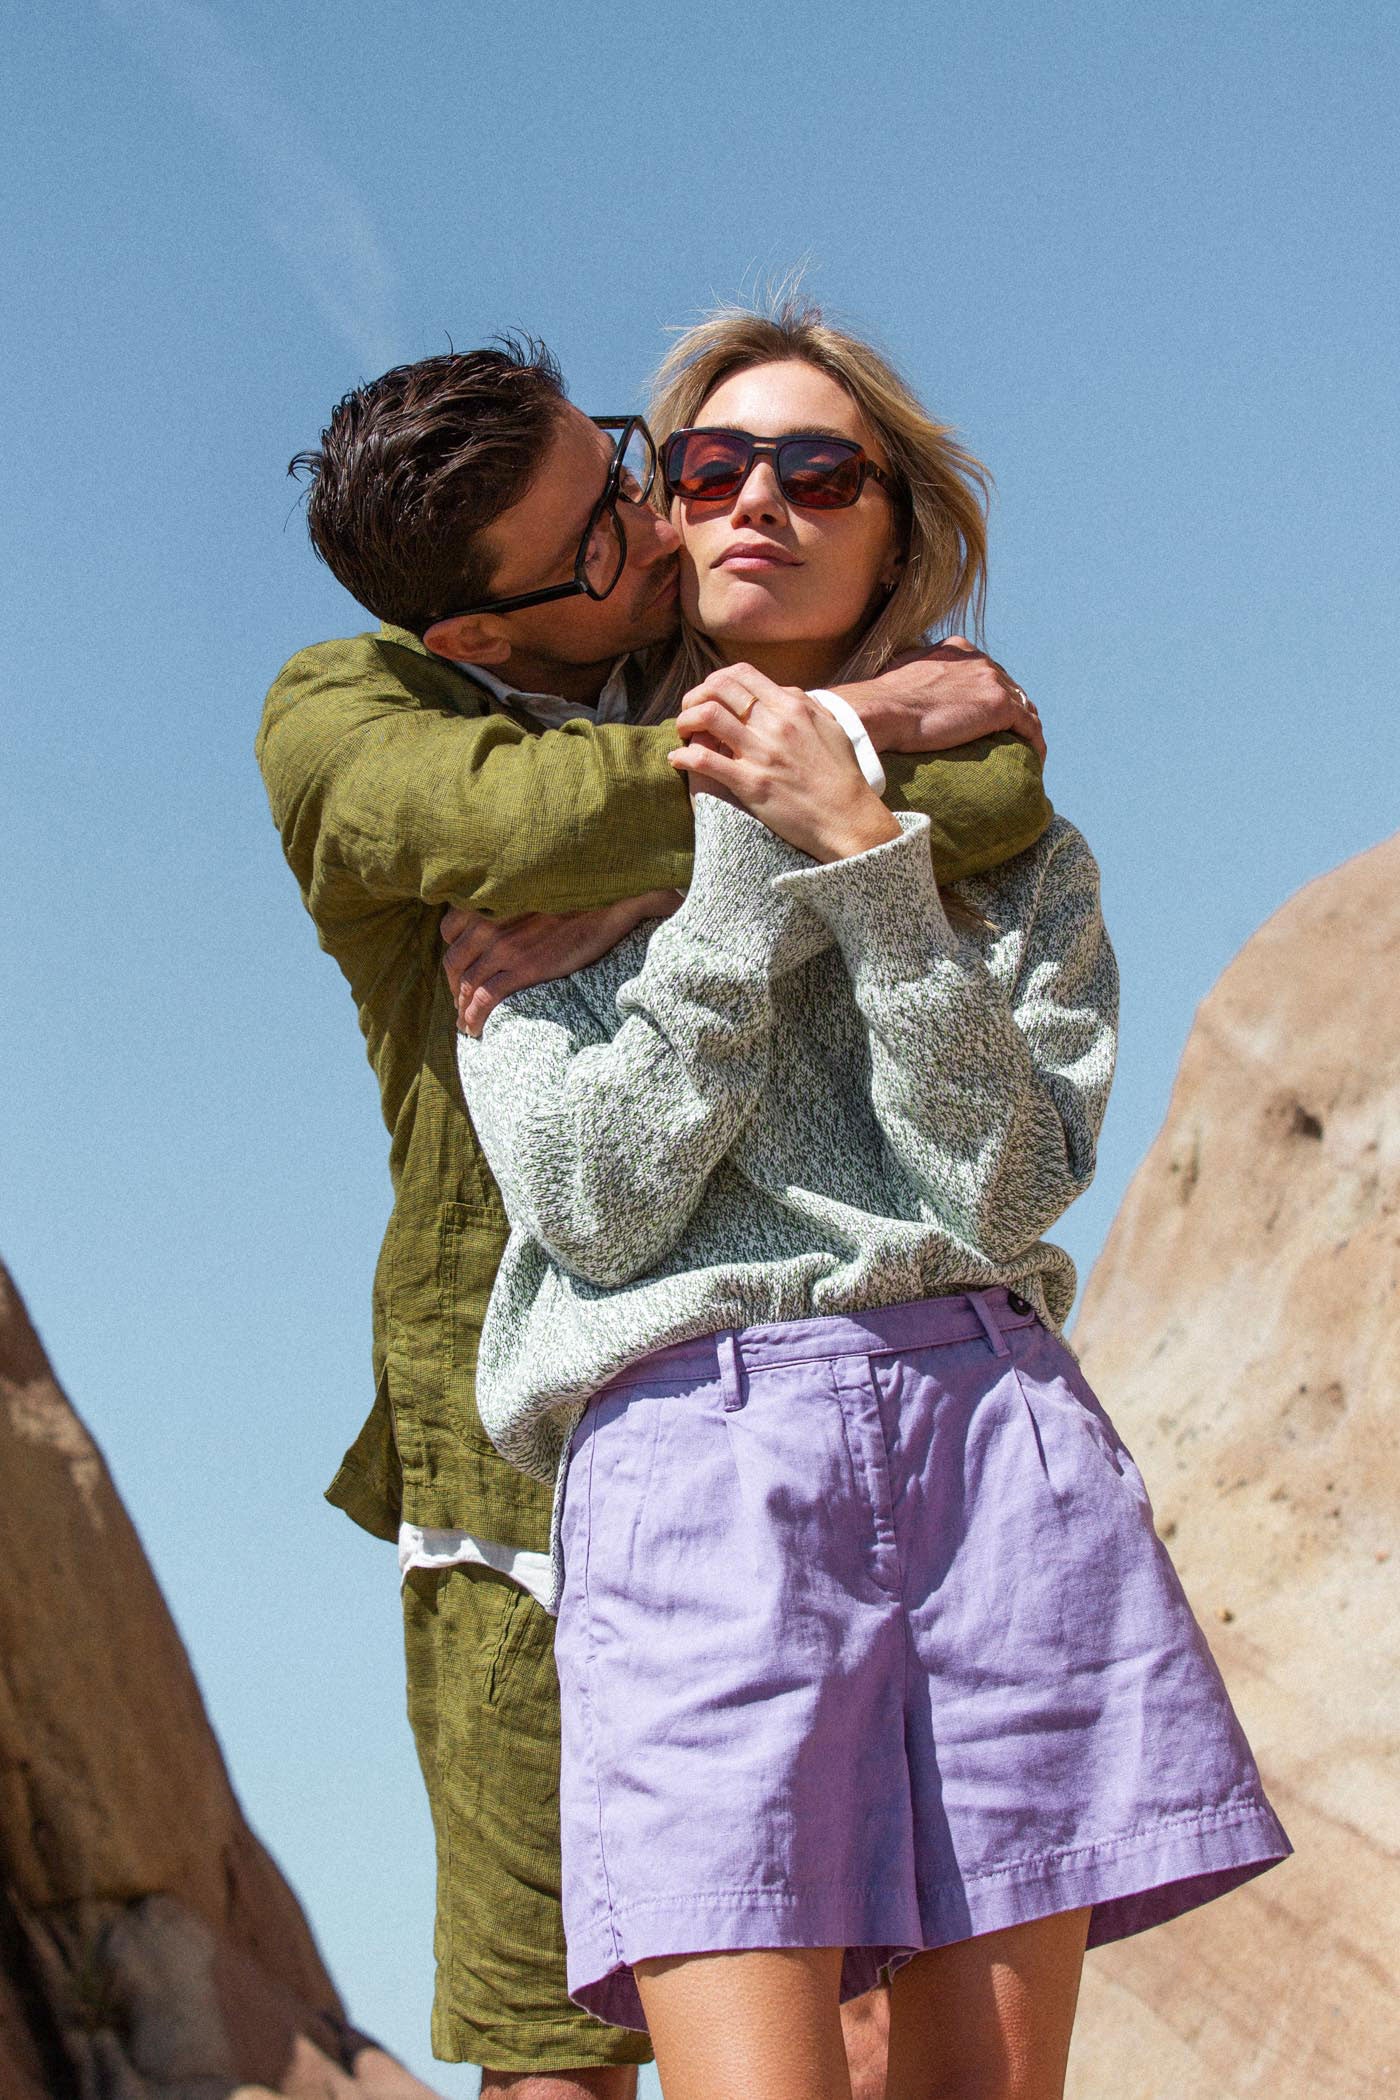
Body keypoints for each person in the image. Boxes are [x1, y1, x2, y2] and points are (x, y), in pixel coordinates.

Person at [453, 302, 1292, 2100]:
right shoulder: (531, 837)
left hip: (995, 1441)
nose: (762, 499)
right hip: (695, 1457)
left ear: (897, 532)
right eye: (713, 465)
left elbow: (1010, 1185)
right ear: (663, 512)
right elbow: (596, 1203)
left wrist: (866, 858)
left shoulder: (1016, 846)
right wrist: (745, 858)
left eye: (823, 470)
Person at [257, 338, 1052, 2095]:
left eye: (624, 461)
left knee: (859, 1983)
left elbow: (997, 785)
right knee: (554, 2039)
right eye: (604, 527)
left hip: (792, 1410)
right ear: (484, 623)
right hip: (518, 1461)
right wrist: (843, 749)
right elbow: (501, 824)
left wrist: (755, 800)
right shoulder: (347, 715)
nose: (649, 515)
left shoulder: (705, 670)